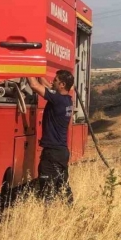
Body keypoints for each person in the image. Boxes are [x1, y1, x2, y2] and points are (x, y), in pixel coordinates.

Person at [28, 70, 75, 204]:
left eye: (55, 80)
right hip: (61, 152)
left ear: (62, 84)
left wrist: (25, 68)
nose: (52, 82)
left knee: (46, 187)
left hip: (52, 152)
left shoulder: (57, 99)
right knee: (62, 185)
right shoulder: (66, 99)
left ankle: (47, 215)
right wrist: (37, 70)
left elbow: (34, 86)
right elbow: (47, 86)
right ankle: (70, 209)